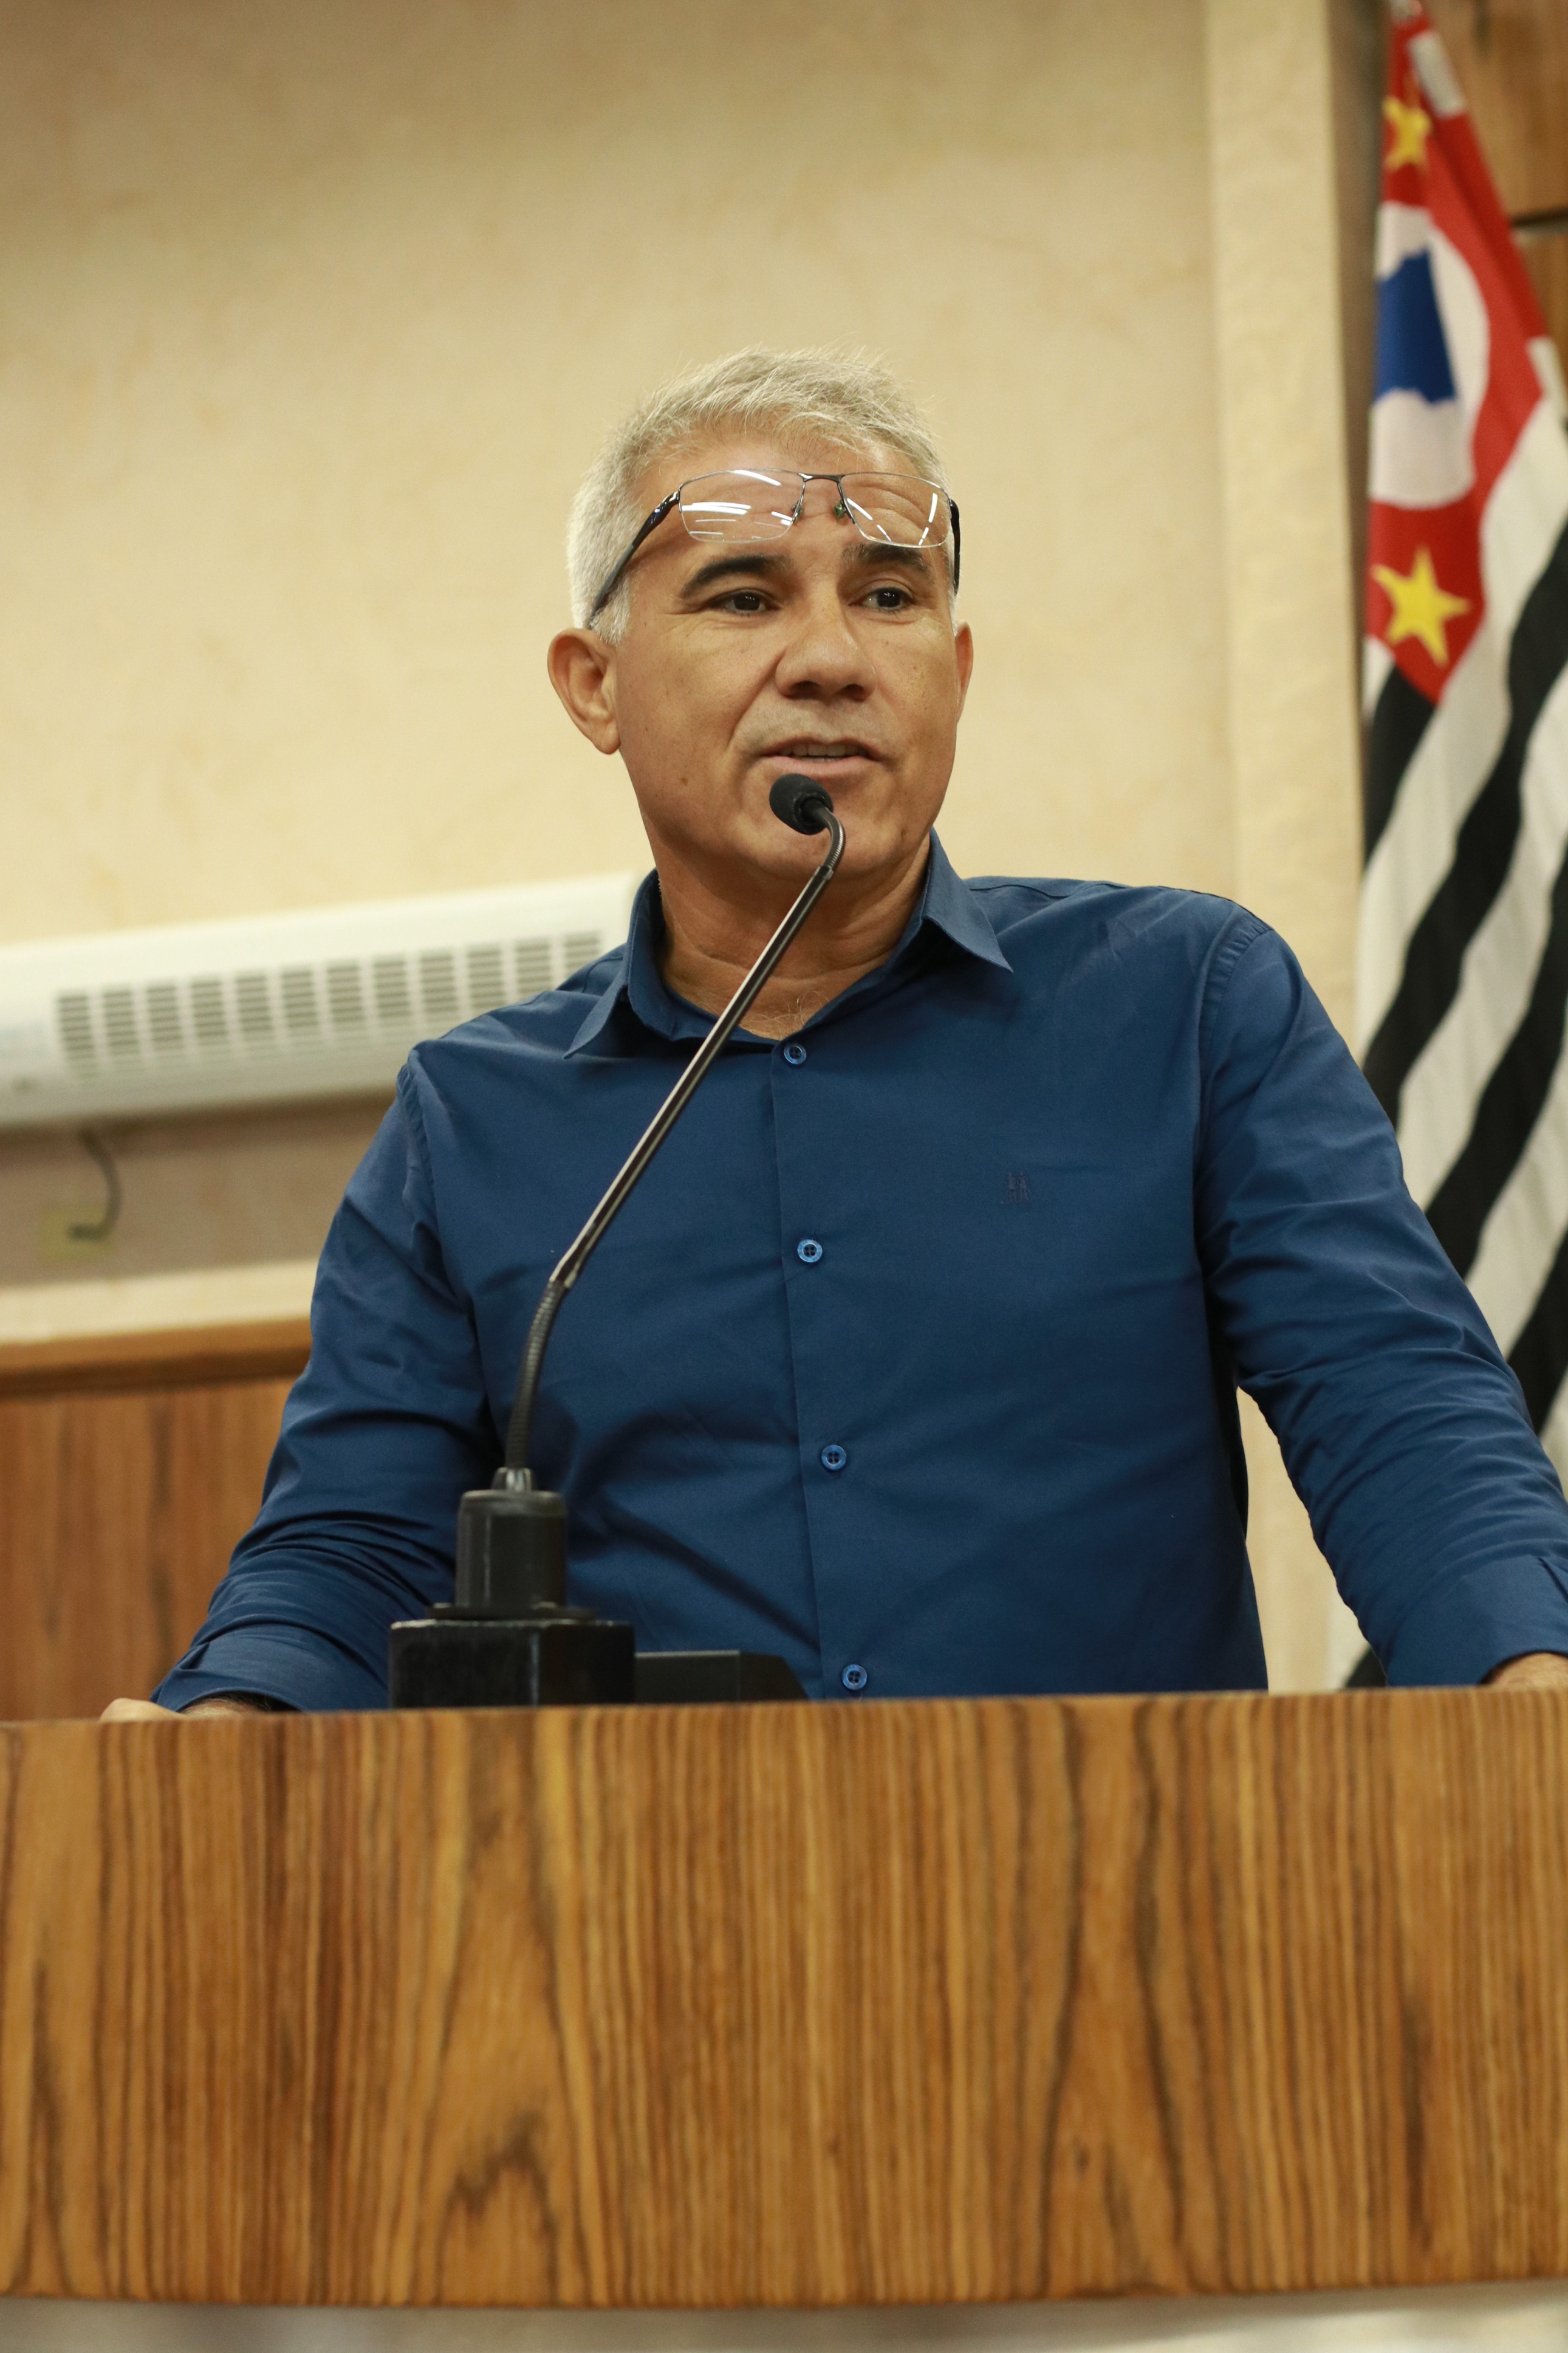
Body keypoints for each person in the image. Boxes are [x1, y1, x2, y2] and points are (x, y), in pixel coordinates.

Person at [108, 345, 1568, 1723]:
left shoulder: (1185, 1001)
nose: (830, 656)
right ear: (594, 684)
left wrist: (1527, 1669)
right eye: (744, 596)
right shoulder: (469, 1121)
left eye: (886, 594)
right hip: (649, 1893)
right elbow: (354, 1548)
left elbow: (1394, 1407)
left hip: (1128, 1881)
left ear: (957, 668)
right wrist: (227, 1721)